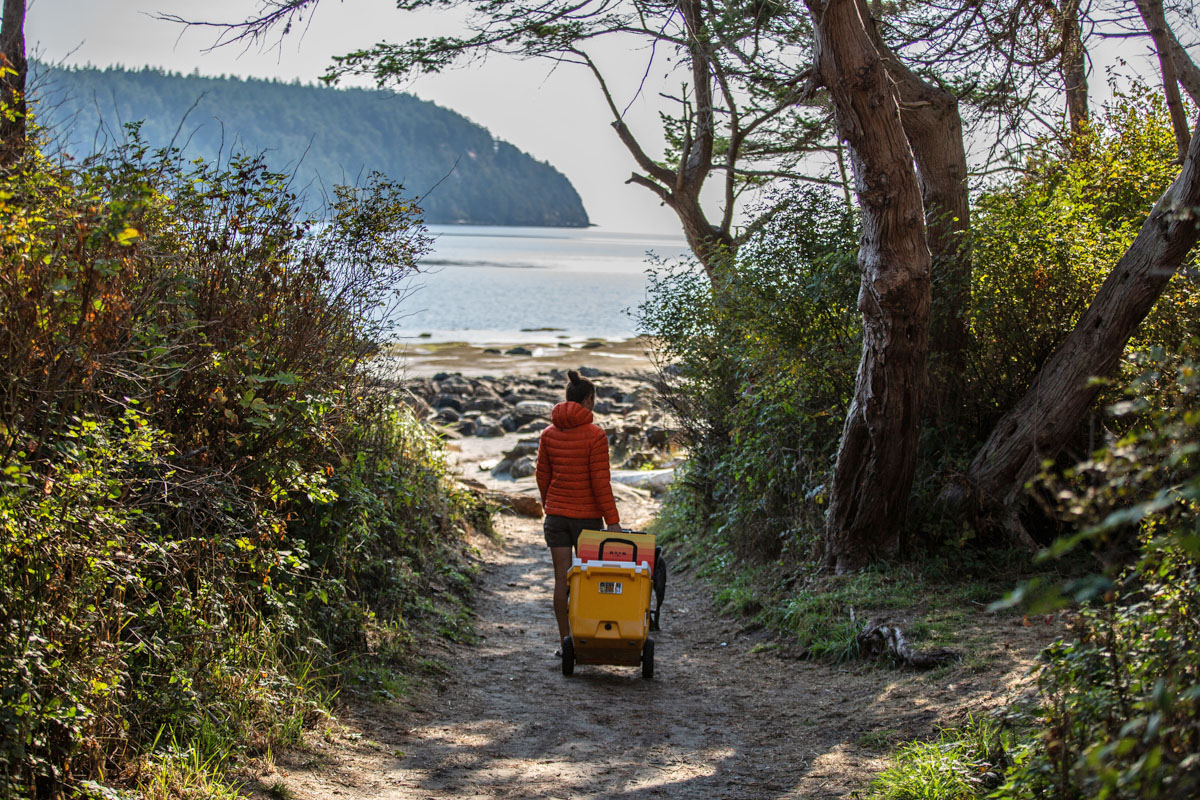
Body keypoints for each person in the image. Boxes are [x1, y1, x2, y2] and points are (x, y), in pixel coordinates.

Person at [536, 369, 622, 648]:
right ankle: (590, 638)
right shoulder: (596, 435)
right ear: (588, 399)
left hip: (557, 518)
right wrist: (613, 520)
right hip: (587, 520)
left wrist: (549, 504)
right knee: (588, 579)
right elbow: (600, 482)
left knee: (562, 580)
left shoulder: (548, 433)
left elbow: (542, 476)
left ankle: (566, 642)